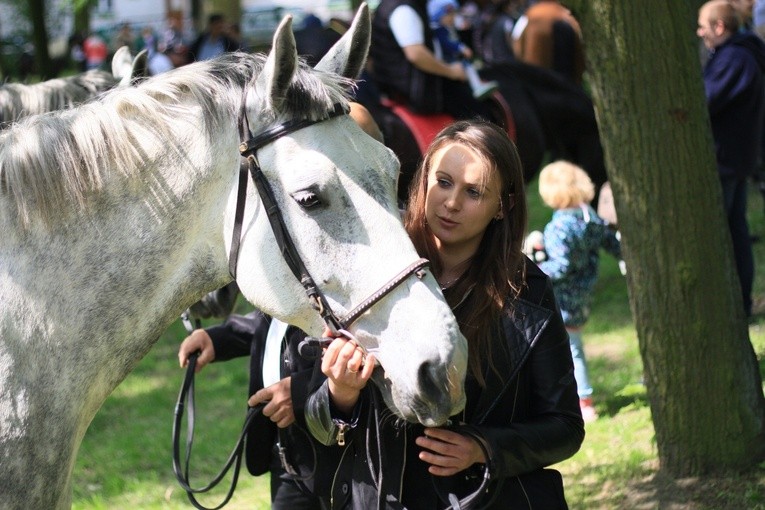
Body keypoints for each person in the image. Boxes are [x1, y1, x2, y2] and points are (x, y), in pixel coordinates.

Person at [304, 120, 584, 508]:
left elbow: (565, 427)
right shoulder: (371, 273)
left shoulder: (528, 293)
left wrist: (483, 447)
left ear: (502, 206)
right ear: (422, 181)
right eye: (444, 182)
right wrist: (341, 393)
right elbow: (318, 428)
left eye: (474, 192)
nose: (451, 203)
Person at [177, 102, 384, 509]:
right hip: (285, 453)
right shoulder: (306, 239)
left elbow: (376, 348)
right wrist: (219, 338)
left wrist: (306, 391)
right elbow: (274, 322)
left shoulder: (371, 257)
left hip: (340, 454)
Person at [535, 160, 621, 423]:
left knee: (571, 350)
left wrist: (535, 268)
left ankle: (583, 401)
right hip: (583, 295)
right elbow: (610, 241)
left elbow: (560, 267)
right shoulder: (589, 216)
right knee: (572, 346)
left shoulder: (560, 226)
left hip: (562, 299)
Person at [697, 0, 765, 317]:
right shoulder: (739, 54)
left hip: (726, 159)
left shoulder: (734, 58)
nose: (700, 33)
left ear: (720, 27)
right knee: (734, 230)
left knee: (725, 233)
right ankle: (739, 302)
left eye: (703, 26)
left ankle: (734, 304)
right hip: (735, 158)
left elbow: (705, 100)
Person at [369, 0, 492, 118]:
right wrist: (451, 71)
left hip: (402, 90)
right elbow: (416, 54)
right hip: (416, 95)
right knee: (477, 111)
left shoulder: (393, 5)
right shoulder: (403, 9)